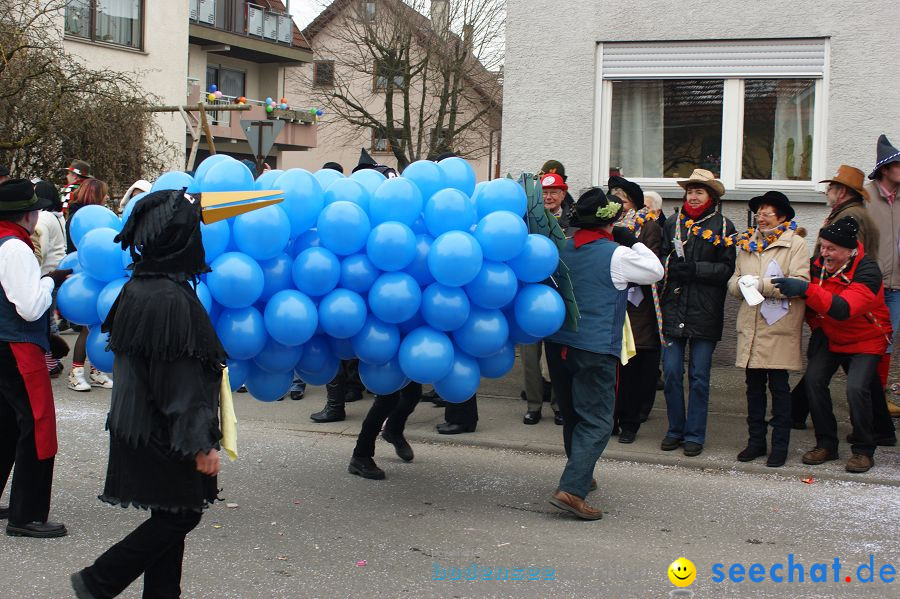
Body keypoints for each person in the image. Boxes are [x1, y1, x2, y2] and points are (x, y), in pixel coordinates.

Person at [70, 188, 224, 598]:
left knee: (171, 512)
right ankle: (99, 579)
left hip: (141, 423)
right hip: (162, 431)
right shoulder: (169, 299)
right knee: (181, 516)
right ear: (180, 239)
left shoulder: (141, 286)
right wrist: (201, 443)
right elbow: (180, 383)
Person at [545, 188, 663, 520]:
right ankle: (571, 490)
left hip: (558, 344)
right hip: (595, 347)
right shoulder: (617, 254)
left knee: (572, 415)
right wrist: (632, 240)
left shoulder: (561, 248)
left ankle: (579, 473)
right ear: (611, 222)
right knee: (597, 420)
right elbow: (655, 271)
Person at [773, 216, 892, 473]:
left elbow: (844, 308)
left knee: (857, 389)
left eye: (831, 249)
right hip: (830, 335)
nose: (824, 253)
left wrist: (805, 289)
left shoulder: (868, 271)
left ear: (849, 250)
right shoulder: (818, 265)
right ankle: (826, 444)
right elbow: (814, 307)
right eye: (822, 246)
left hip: (866, 338)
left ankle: (863, 450)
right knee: (814, 382)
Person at [0, 179, 71, 538]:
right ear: (28, 215)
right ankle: (26, 515)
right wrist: (50, 282)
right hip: (17, 347)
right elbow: (29, 307)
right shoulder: (15, 247)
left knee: (7, 426)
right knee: (37, 427)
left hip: (3, 343)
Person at [791, 165, 881, 429]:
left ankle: (799, 414)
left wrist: (811, 287)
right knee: (849, 376)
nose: (827, 192)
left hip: (844, 305)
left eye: (830, 187)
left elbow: (845, 261)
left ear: (841, 192)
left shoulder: (849, 218)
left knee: (835, 374)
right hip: (842, 303)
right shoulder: (851, 212)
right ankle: (881, 429)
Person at [726, 191, 809, 467]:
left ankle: (780, 446)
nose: (760, 218)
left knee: (779, 387)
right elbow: (734, 279)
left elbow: (798, 282)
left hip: (778, 325)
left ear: (782, 217)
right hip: (752, 324)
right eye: (758, 213)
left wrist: (760, 284)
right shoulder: (748, 244)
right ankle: (756, 442)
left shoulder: (795, 244)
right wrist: (740, 286)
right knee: (753, 388)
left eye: (766, 213)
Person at [659, 169, 736, 457]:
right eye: (690, 190)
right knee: (670, 372)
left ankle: (694, 434)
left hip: (705, 310)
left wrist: (696, 270)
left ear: (711, 196)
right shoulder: (672, 224)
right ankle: (674, 429)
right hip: (673, 307)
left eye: (699, 191)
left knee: (699, 376)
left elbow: (727, 269)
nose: (693, 195)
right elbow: (659, 258)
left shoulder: (724, 227)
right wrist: (669, 266)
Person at [608, 175, 663, 443]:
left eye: (623, 200)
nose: (619, 205)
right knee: (616, 366)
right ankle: (613, 418)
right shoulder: (610, 226)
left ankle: (630, 422)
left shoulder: (649, 226)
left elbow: (649, 267)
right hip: (615, 303)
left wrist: (620, 269)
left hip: (639, 308)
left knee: (635, 366)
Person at [520, 172, 568, 426]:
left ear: (563, 194)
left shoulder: (572, 221)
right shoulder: (527, 221)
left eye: (554, 192)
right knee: (529, 355)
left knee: (558, 354)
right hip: (531, 296)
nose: (549, 197)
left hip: (559, 296)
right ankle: (533, 405)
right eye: (545, 193)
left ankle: (559, 405)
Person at [65, 178, 114, 392]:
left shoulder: (101, 217)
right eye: (104, 194)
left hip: (100, 276)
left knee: (100, 325)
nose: (107, 198)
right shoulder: (80, 218)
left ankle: (95, 370)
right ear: (96, 196)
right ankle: (75, 373)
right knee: (87, 327)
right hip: (84, 279)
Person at [865, 134, 900, 419]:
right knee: (864, 345)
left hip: (897, 286)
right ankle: (865, 396)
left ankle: (879, 397)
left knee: (887, 343)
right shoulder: (866, 198)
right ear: (885, 169)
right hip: (870, 286)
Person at [31, 181, 68, 378]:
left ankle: (52, 361)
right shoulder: (57, 217)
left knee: (46, 322)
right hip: (56, 272)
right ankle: (54, 360)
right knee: (49, 319)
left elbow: (40, 249)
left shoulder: (43, 218)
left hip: (47, 275)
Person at [348, 382, 422, 479]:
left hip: (407, 366)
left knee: (413, 394)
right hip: (382, 368)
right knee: (386, 400)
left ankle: (393, 430)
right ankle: (361, 455)